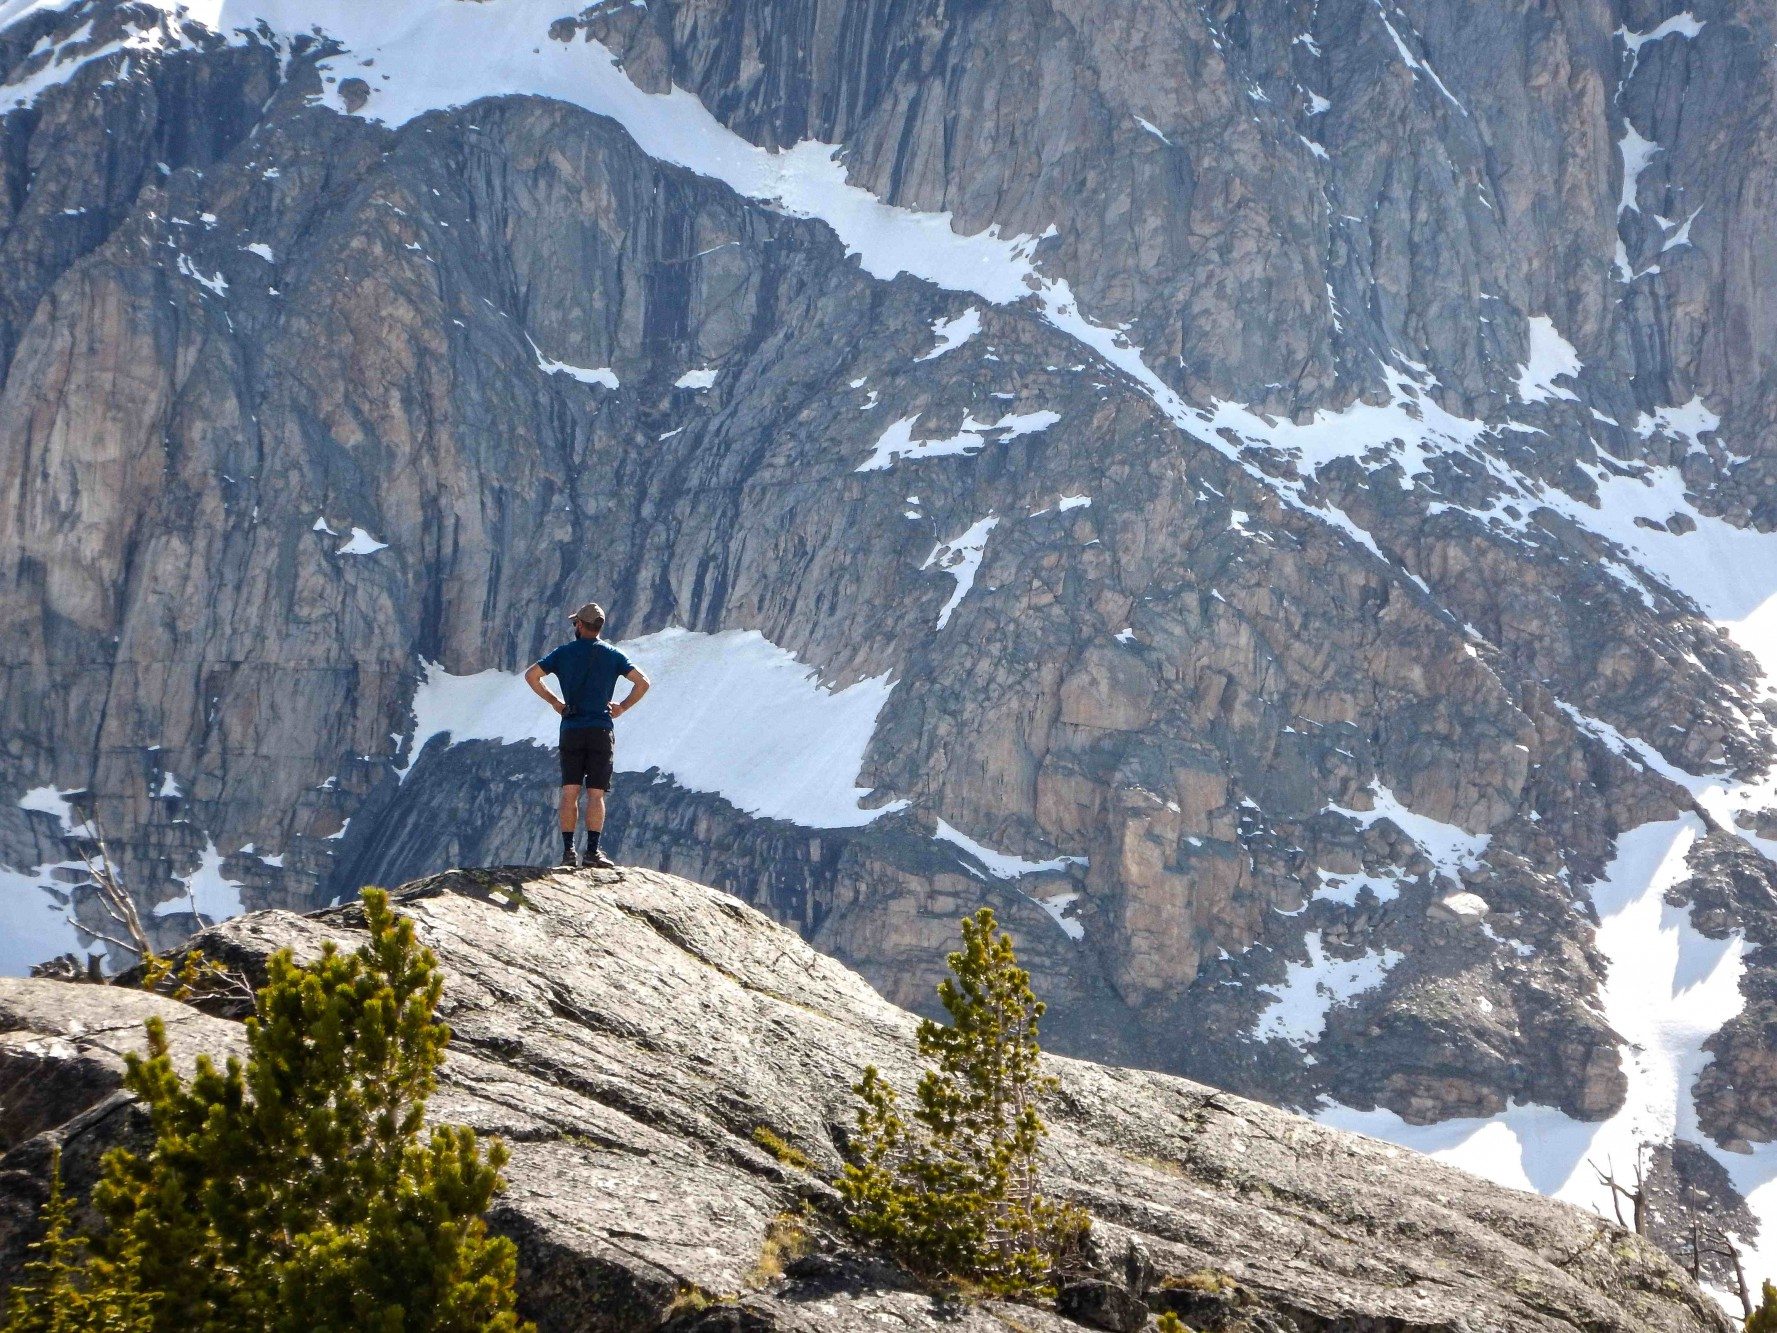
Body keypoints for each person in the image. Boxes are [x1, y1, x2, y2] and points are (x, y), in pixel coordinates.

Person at [524, 602, 650, 869]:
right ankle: (592, 852)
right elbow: (643, 682)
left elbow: (532, 676)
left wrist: (556, 703)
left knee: (570, 791)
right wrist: (622, 707)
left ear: (580, 625)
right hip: (601, 730)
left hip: (571, 729)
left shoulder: (563, 653)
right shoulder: (613, 655)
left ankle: (568, 852)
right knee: (596, 794)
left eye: (575, 623)